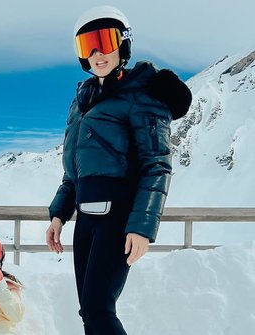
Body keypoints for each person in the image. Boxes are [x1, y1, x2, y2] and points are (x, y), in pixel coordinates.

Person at [45, 5, 192, 334]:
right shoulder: (82, 99)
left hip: (117, 218)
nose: (97, 53)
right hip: (85, 219)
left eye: (104, 41)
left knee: (99, 308)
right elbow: (75, 171)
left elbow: (157, 166)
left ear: (123, 43)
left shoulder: (143, 95)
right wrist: (58, 215)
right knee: (89, 311)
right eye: (87, 46)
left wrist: (141, 227)